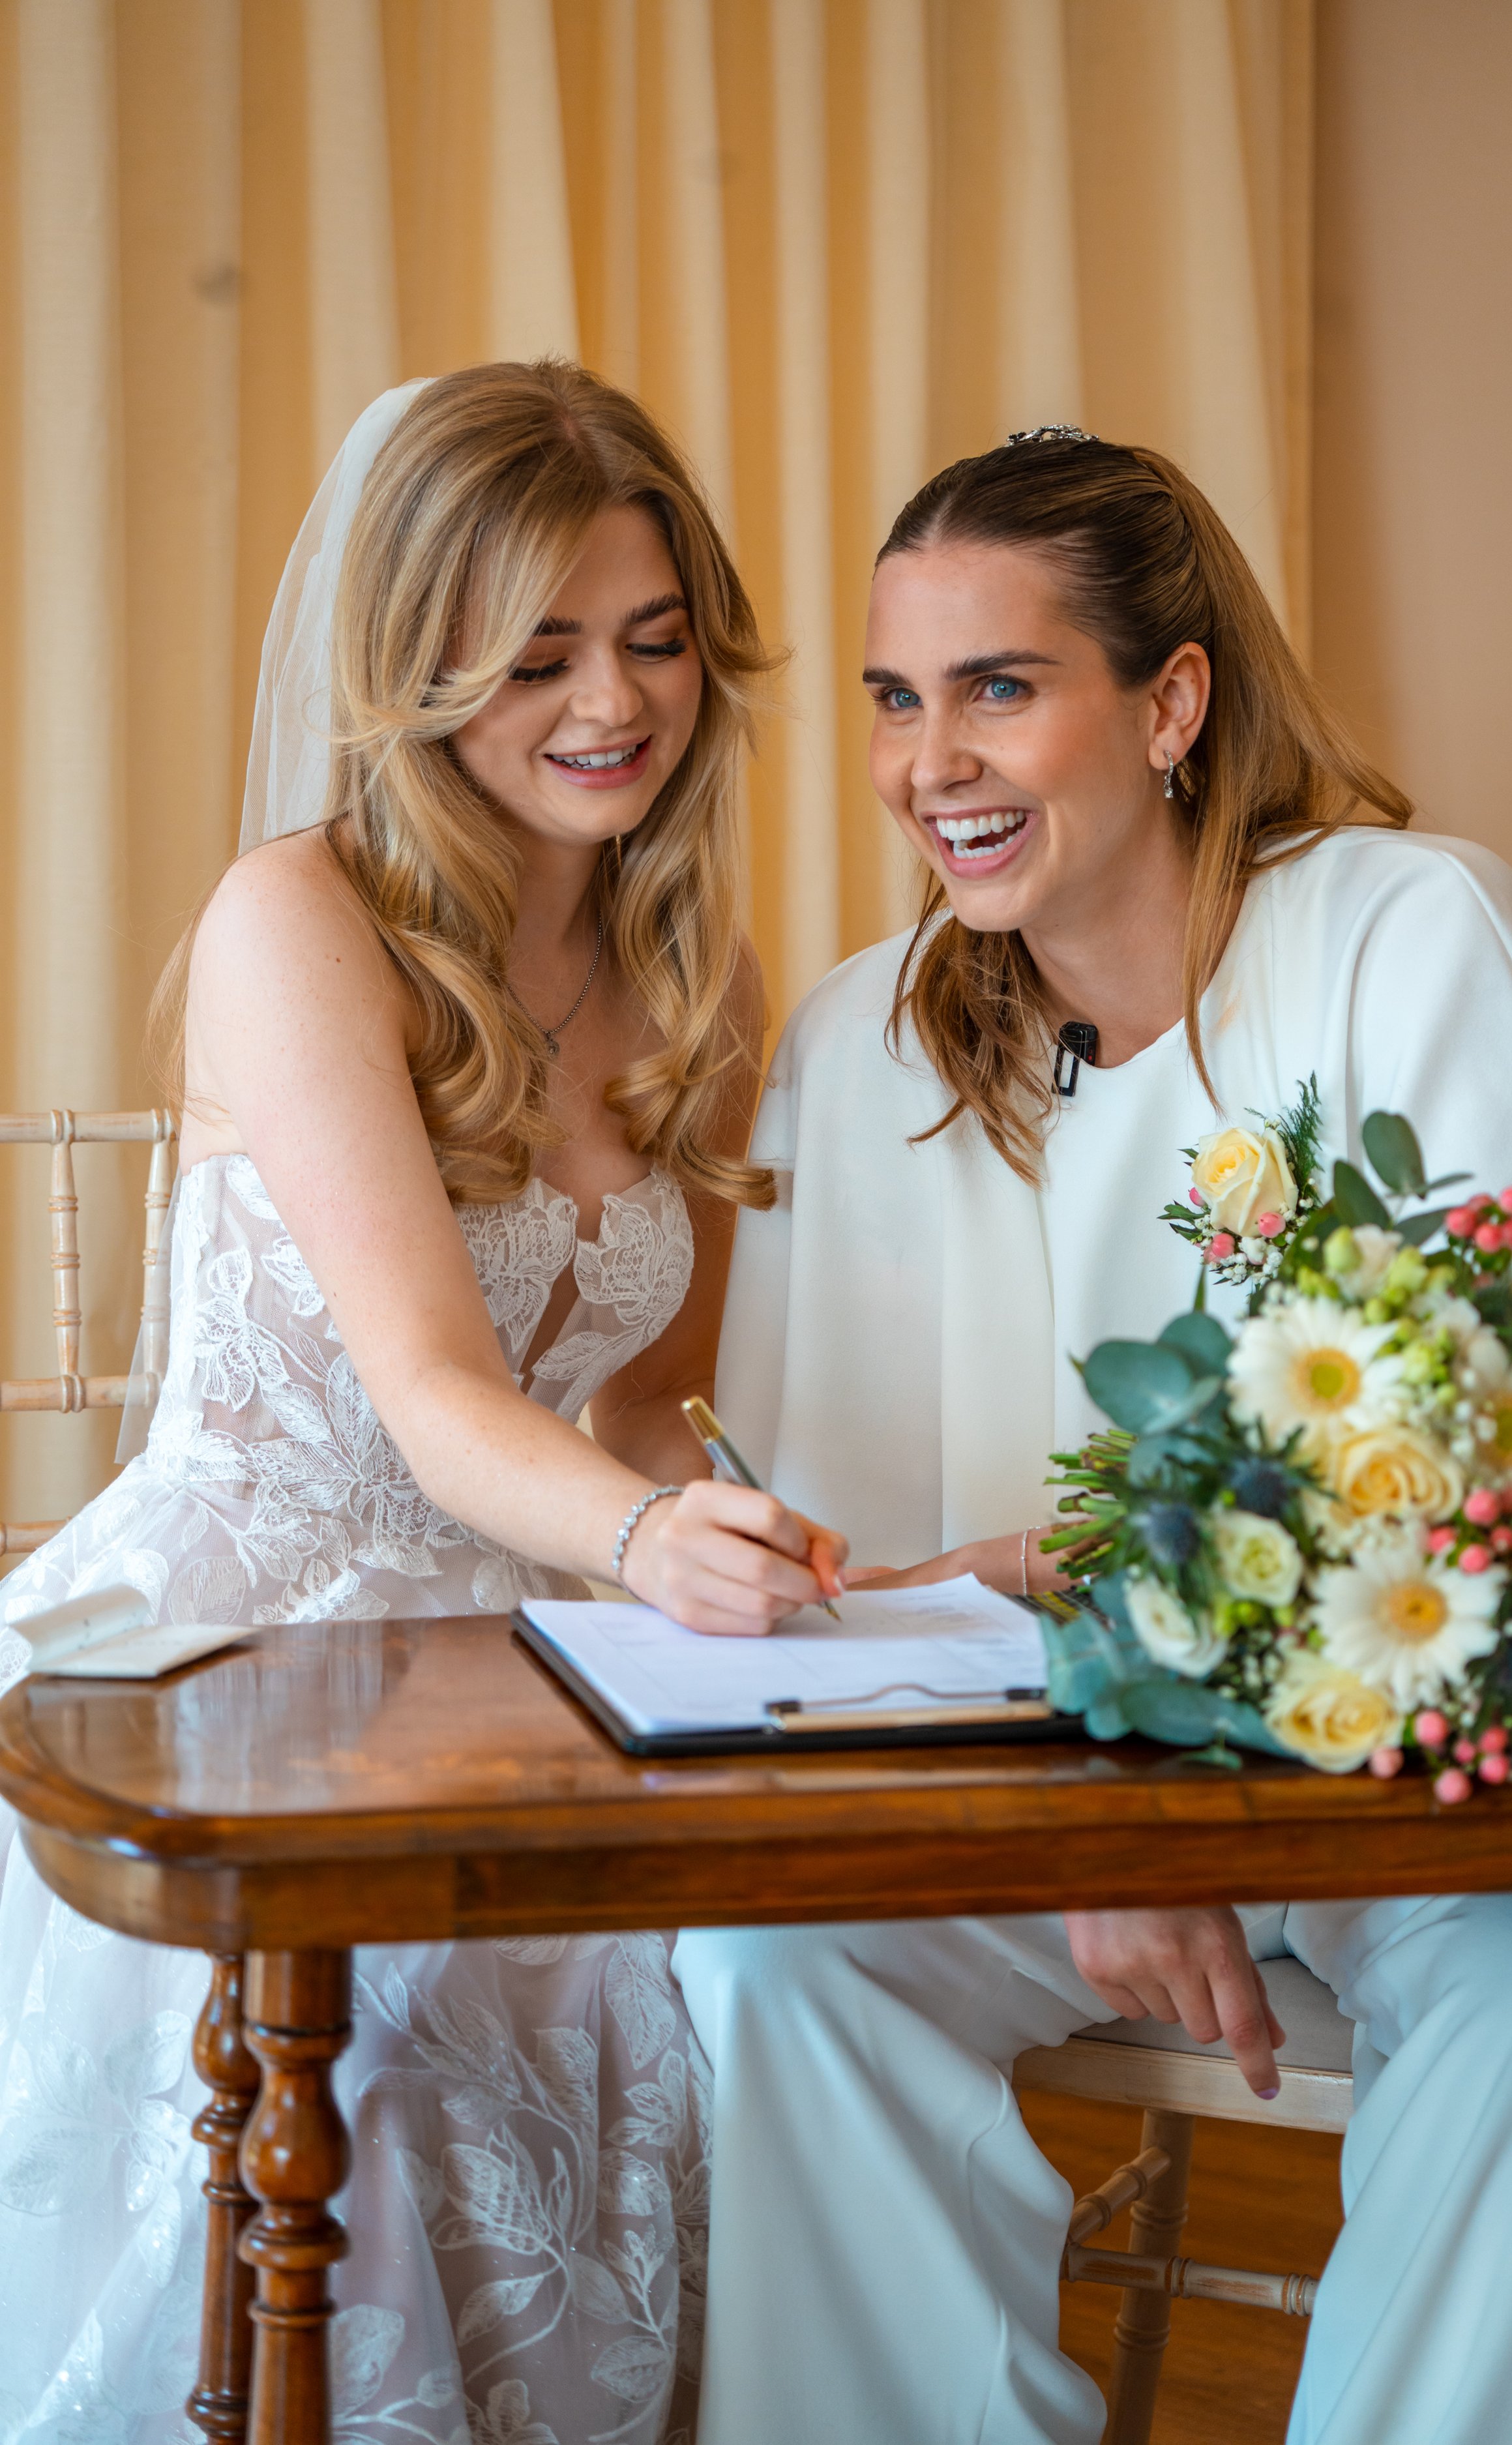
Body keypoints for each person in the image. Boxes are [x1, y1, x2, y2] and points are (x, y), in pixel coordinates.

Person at [673, 429, 1512, 2445]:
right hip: (1017, 1787)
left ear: (1171, 702)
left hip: (1403, 1793)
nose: (933, 759)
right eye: (894, 699)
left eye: (999, 688)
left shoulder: (1411, 931)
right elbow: (853, 1590)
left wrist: (1167, 1794)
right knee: (774, 1974)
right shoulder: (855, 1049)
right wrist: (1086, 1798)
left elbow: (1486, 1497)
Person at [0, 362, 841, 2443]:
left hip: (516, 1646)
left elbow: (640, 1399)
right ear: (418, 662)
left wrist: (768, 1536)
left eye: (652, 640)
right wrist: (647, 1540)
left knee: (732, 2003)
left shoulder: (700, 982)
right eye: (537, 653)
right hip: (235, 1640)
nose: (611, 703)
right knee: (381, 2040)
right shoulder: (302, 920)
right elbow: (434, 1384)